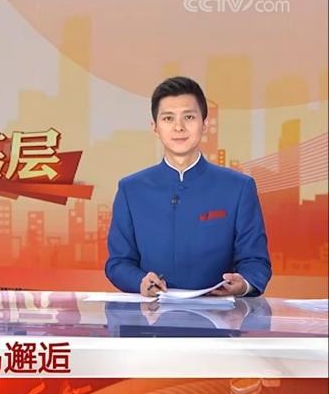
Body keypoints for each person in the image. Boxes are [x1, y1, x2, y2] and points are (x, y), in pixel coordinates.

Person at [105, 76, 271, 297]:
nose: (179, 127)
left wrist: (244, 284)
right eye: (168, 118)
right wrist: (139, 282)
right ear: (155, 128)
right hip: (149, 315)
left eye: (189, 117)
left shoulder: (239, 188)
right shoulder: (131, 190)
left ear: (205, 124)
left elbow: (256, 261)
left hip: (218, 314)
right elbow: (118, 263)